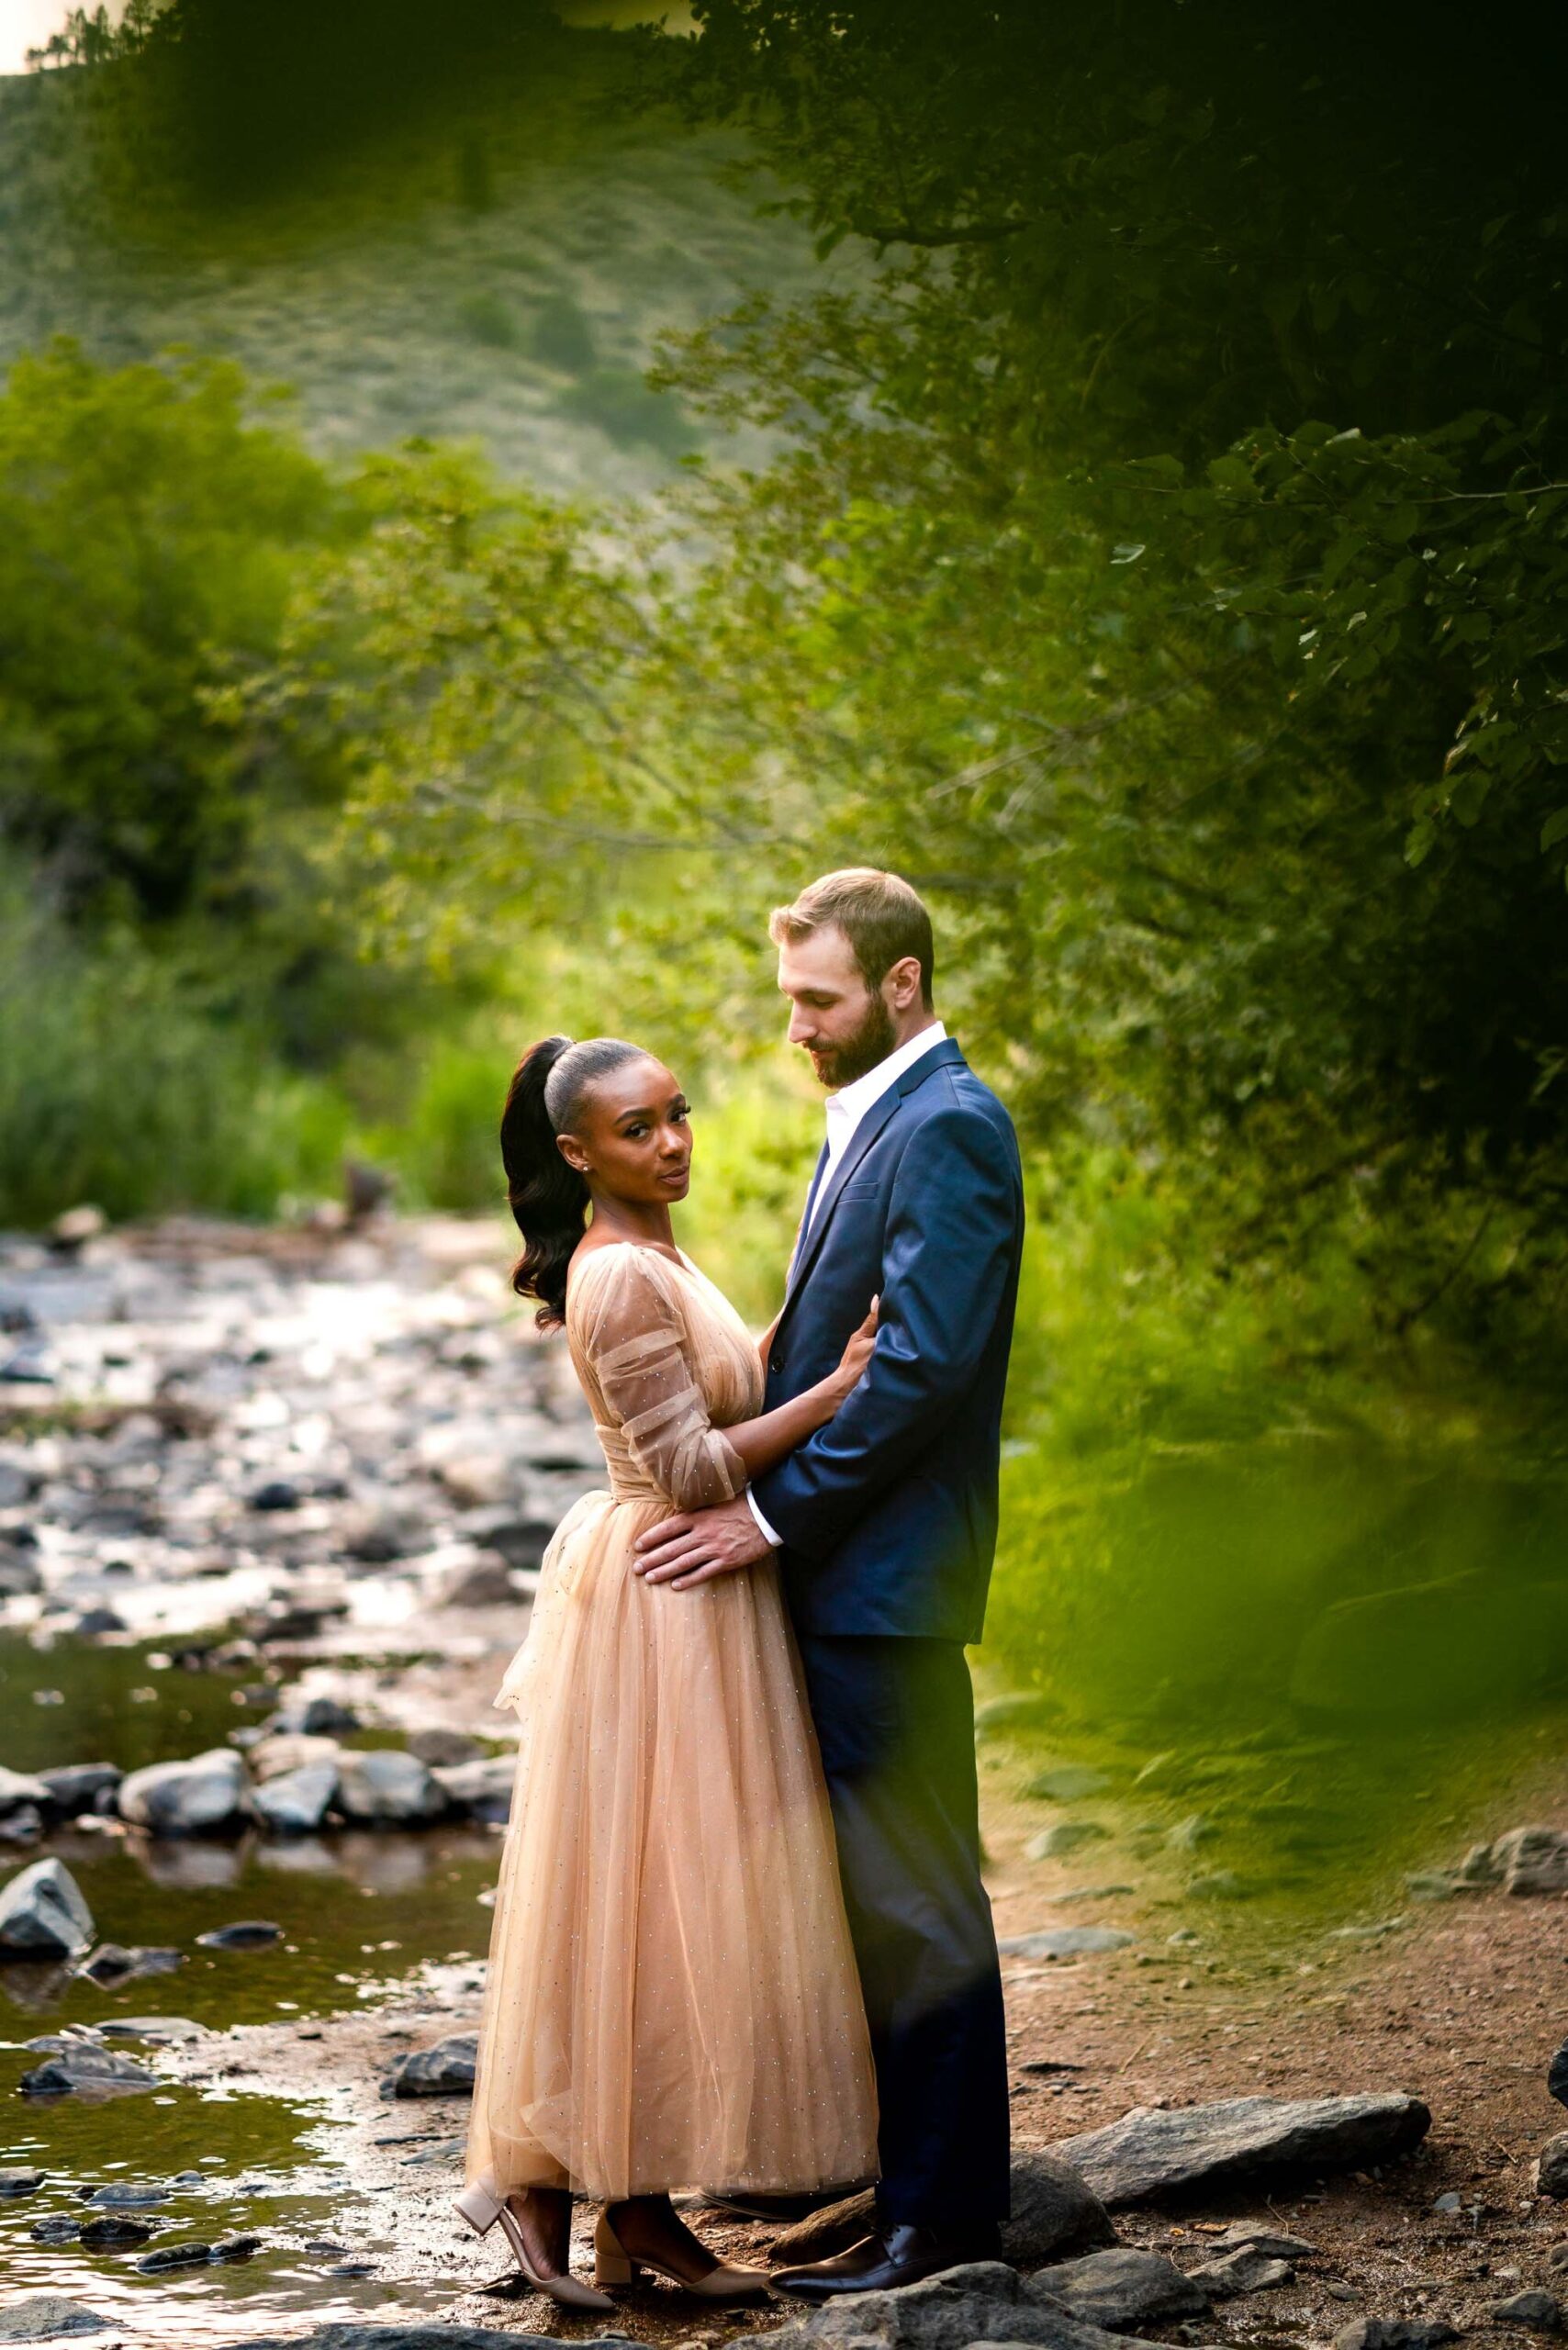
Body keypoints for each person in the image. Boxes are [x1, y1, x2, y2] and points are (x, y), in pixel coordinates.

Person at [633, 868, 1025, 2297]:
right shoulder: (881, 1113)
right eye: (791, 996)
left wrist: (770, 1517)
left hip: (886, 1584)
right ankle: (905, 2197)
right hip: (852, 1577)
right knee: (878, 1901)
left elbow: (923, 1365)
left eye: (821, 999)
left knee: (918, 1901)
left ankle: (947, 2229)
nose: (795, 1026)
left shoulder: (953, 1126)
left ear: (903, 986)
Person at [458, 1034, 880, 2308]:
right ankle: (553, 2183)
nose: (675, 1141)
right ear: (580, 1154)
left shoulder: (651, 1254)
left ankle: (631, 2212)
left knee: (657, 1900)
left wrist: (786, 1343)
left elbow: (697, 1393)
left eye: (678, 1115)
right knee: (654, 1896)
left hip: (691, 1593)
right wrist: (840, 1392)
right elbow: (692, 1469)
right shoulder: (615, 1277)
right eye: (639, 1130)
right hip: (667, 1596)